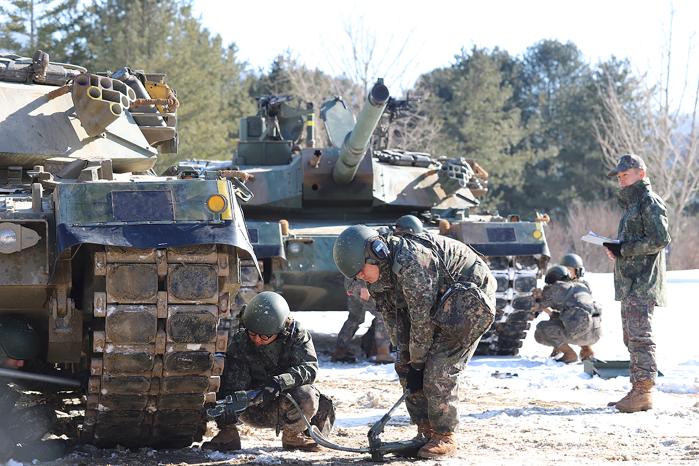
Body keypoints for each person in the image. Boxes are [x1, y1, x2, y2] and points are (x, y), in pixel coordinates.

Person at [333, 225, 496, 459]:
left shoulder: (412, 261)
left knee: (438, 367)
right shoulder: (376, 274)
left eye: (360, 271)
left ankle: (444, 435)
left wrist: (419, 363)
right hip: (436, 301)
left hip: (467, 300)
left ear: (376, 254)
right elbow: (392, 318)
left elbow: (422, 320)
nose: (360, 278)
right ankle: (425, 429)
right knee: (405, 365)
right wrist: (407, 359)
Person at [205, 292, 321, 451]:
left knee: (307, 395)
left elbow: (310, 368)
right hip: (249, 408)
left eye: (265, 336)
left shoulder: (297, 335)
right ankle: (228, 435)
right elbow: (231, 382)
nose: (257, 340)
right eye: (252, 333)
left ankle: (293, 437)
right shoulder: (241, 341)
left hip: (283, 406)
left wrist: (280, 382)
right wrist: (229, 406)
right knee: (215, 381)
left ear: (281, 330)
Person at [603, 154, 670, 413]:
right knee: (631, 337)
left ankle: (644, 391)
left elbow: (660, 239)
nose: (621, 180)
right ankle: (637, 390)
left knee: (640, 338)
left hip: (642, 282)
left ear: (641, 174)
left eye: (625, 175)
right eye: (619, 177)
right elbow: (635, 244)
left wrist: (625, 249)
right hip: (630, 282)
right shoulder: (632, 205)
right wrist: (617, 249)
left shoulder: (649, 202)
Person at [0, 316, 58, 462]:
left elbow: (34, 378)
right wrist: (18, 454)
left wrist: (77, 378)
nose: (20, 364)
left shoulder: (5, 366)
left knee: (43, 417)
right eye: (16, 358)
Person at [533, 265, 602, 363]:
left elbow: (537, 306)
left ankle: (569, 354)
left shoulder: (557, 287)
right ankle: (587, 352)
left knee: (541, 329)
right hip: (596, 333)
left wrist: (536, 296)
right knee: (576, 318)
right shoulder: (582, 285)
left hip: (579, 331)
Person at [331, 277, 394, 363]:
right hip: (365, 285)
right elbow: (363, 265)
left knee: (354, 317)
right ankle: (383, 353)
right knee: (382, 316)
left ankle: (340, 350)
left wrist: (349, 285)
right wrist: (364, 287)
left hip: (353, 284)